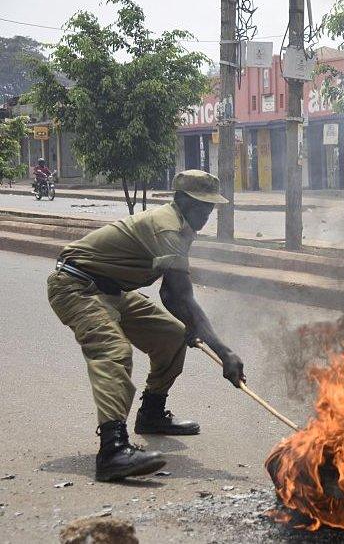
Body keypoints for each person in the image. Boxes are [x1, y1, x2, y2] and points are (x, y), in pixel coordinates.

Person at [47, 170, 246, 482]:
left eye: (210, 208)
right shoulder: (167, 226)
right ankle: (112, 450)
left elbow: (169, 294)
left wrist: (195, 328)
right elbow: (179, 296)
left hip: (112, 291)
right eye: (200, 207)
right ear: (181, 201)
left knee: (173, 335)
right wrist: (224, 353)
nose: (205, 214)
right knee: (113, 350)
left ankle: (152, 413)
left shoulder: (181, 226)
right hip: (77, 287)